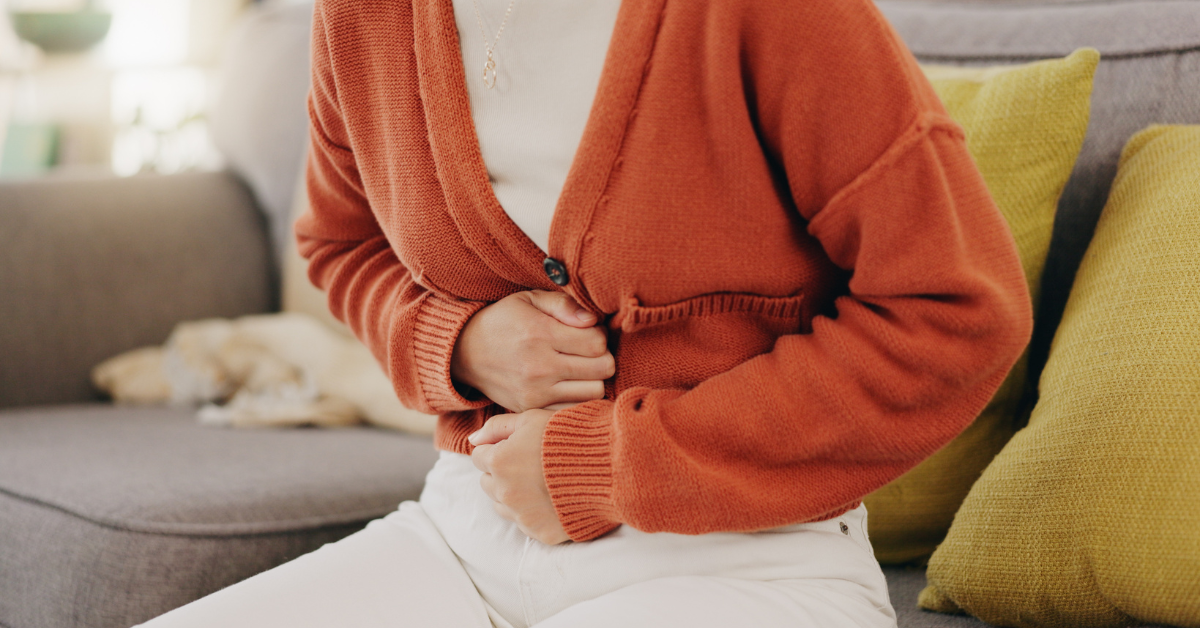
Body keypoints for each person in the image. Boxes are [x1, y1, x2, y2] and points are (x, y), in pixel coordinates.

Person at [141, 0, 1031, 626]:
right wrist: (457, 344)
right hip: (465, 535)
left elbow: (958, 310)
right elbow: (340, 245)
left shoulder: (772, 12)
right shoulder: (364, 15)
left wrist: (607, 464)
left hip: (745, 559)